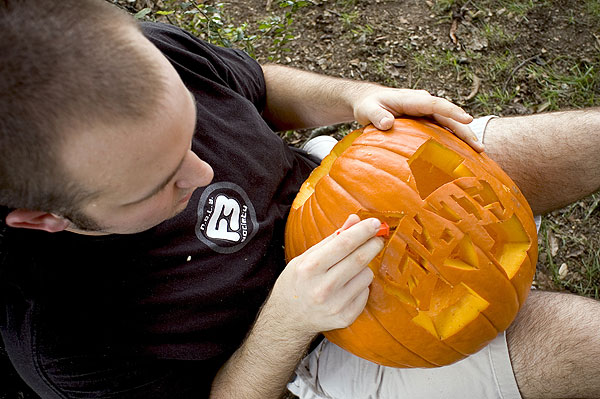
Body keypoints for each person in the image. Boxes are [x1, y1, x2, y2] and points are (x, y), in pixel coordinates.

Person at [0, 1, 597, 398]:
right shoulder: (65, 341)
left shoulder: (133, 62)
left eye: (189, 134)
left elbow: (256, 84)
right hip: (313, 346)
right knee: (585, 341)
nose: (205, 170)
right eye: (163, 184)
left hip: (333, 179)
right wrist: (286, 324)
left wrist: (357, 98)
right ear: (45, 219)